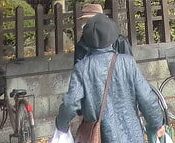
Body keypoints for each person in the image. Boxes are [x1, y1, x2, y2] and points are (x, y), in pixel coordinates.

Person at [55, 15, 166, 143]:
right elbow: (146, 97)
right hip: (132, 134)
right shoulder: (127, 62)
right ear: (112, 37)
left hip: (98, 136)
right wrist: (157, 123)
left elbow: (70, 103)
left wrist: (61, 125)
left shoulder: (82, 68)